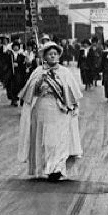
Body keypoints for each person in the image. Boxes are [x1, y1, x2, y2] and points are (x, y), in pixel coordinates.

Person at [18, 42, 84, 181]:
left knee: (58, 139)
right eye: (50, 54)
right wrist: (39, 84)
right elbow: (30, 92)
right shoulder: (38, 72)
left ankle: (56, 169)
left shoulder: (65, 72)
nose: (53, 56)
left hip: (59, 110)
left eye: (55, 54)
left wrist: (74, 106)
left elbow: (71, 92)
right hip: (42, 108)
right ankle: (44, 167)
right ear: (45, 56)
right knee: (44, 139)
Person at [7, 42, 28, 106]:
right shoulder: (9, 54)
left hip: (19, 73)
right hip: (11, 73)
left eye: (17, 46)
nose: (16, 47)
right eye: (14, 46)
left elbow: (23, 65)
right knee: (11, 86)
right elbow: (6, 63)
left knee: (18, 86)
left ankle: (17, 98)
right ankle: (13, 99)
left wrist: (18, 65)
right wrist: (11, 65)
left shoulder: (21, 55)